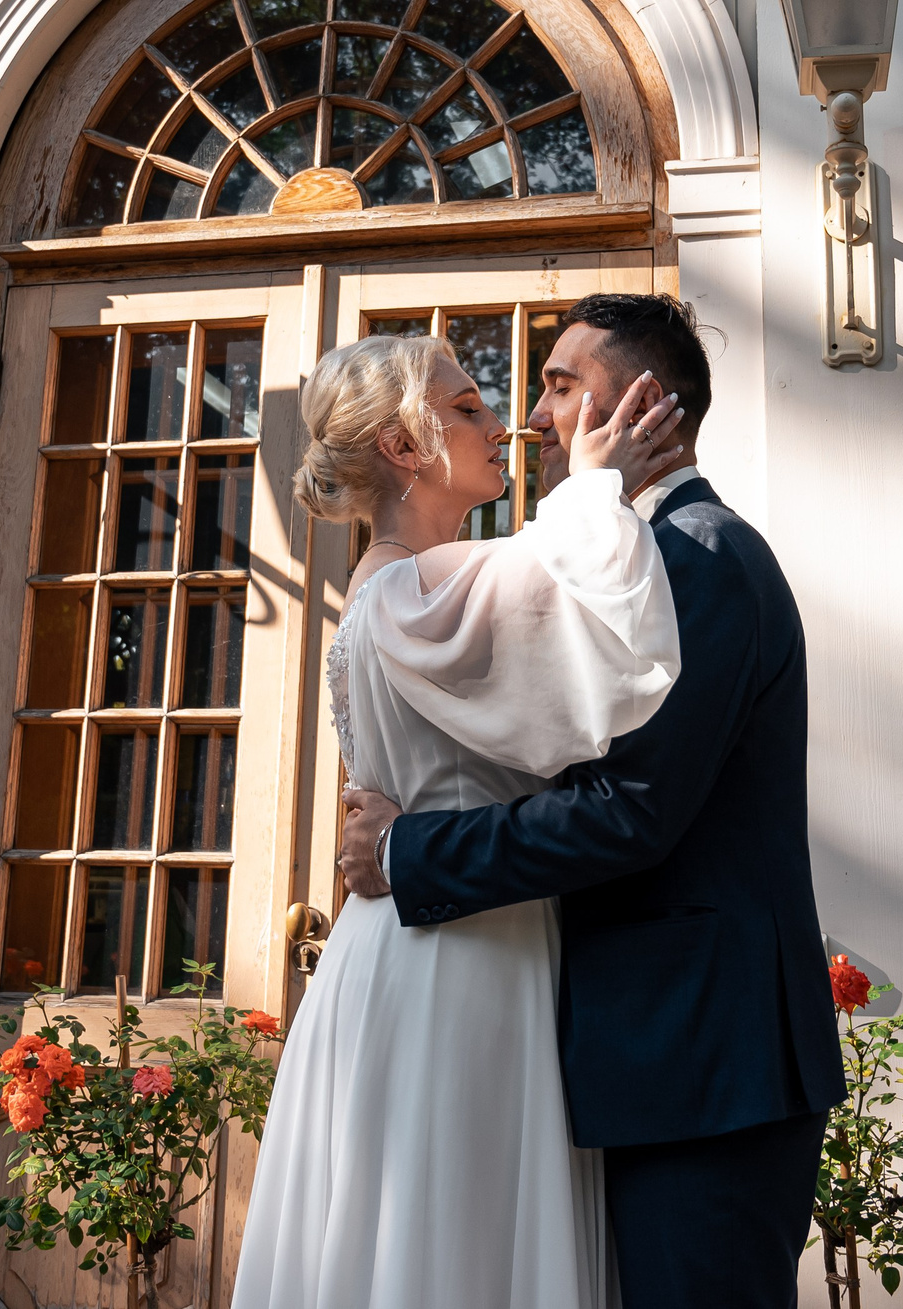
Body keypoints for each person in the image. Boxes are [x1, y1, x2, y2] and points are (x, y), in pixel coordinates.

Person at [340, 293, 842, 1309]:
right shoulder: (628, 559)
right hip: (637, 1056)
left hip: (702, 1065)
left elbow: (631, 809)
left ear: (645, 401)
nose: (531, 418)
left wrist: (409, 852)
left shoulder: (695, 556)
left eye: (560, 385)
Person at [230, 328, 690, 1309]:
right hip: (448, 956)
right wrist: (597, 480)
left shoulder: (432, 583)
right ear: (402, 447)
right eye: (467, 406)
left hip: (468, 931)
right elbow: (564, 581)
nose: (501, 425)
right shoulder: (411, 586)